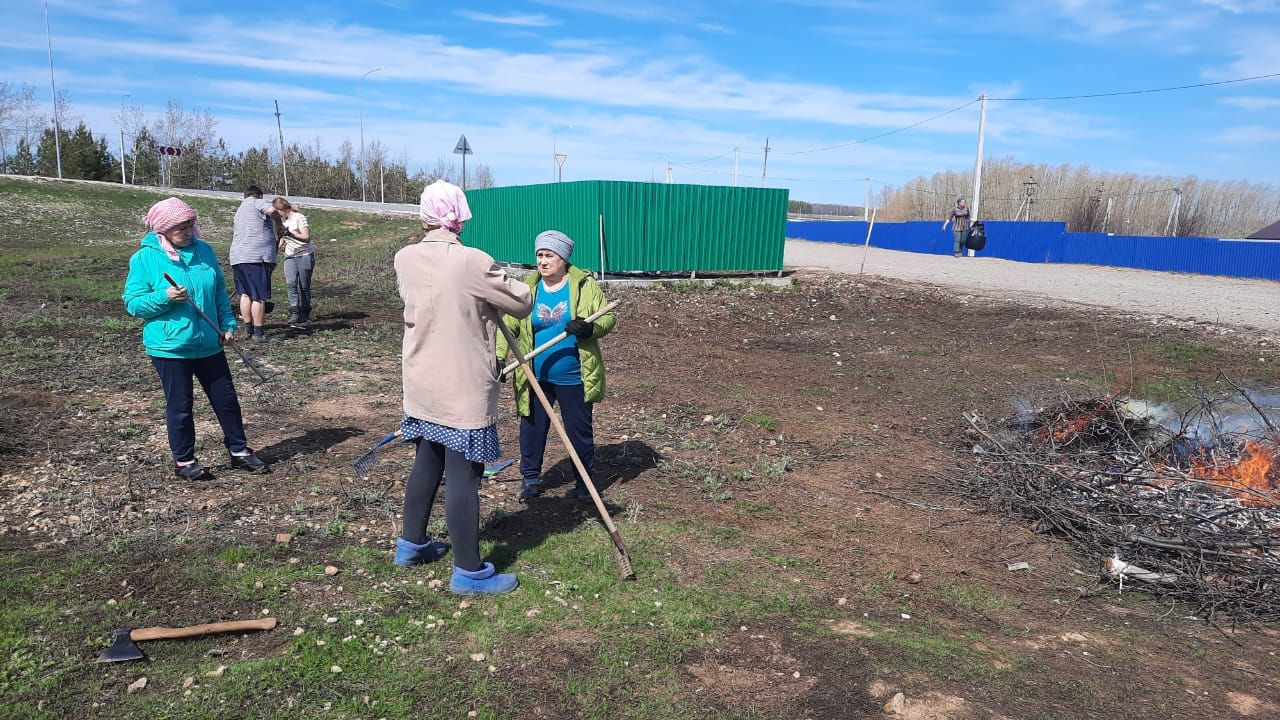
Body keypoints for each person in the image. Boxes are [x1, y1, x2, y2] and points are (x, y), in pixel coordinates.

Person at [393, 180, 533, 595]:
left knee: (428, 460)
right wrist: (505, 279)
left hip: (420, 379)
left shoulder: (405, 257)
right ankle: (469, 571)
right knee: (464, 474)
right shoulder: (472, 261)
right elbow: (521, 301)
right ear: (459, 216)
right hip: (462, 385)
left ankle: (412, 543)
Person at [122, 197, 268, 480]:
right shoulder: (145, 258)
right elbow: (133, 303)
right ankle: (184, 461)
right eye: (181, 228)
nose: (188, 232)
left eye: (190, 225)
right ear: (163, 229)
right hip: (171, 348)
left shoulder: (205, 251)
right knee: (180, 404)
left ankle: (239, 450)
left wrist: (227, 324)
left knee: (226, 399)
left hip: (210, 343)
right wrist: (165, 298)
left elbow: (217, 294)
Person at [497, 230, 616, 503]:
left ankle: (584, 482)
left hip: (574, 374)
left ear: (563, 258)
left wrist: (589, 328)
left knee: (579, 430)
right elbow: (508, 326)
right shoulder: (528, 289)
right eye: (539, 255)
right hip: (534, 374)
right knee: (532, 428)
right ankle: (530, 479)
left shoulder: (583, 285)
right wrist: (499, 356)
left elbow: (608, 318)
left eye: (549, 255)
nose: (542, 261)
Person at [230, 185, 281, 341]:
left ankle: (249, 329)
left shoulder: (239, 211)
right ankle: (259, 333)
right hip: (256, 257)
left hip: (238, 257)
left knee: (245, 294)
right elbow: (273, 211)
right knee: (258, 296)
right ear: (258, 195)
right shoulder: (257, 202)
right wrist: (280, 225)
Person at [273, 197, 315, 325]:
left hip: (304, 255)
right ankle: (295, 312)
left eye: (277, 212)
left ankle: (305, 313)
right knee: (291, 284)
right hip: (289, 255)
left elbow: (306, 237)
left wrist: (290, 234)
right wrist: (273, 250)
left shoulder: (299, 217)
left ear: (284, 209)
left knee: (304, 286)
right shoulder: (280, 221)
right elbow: (282, 239)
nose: (276, 215)